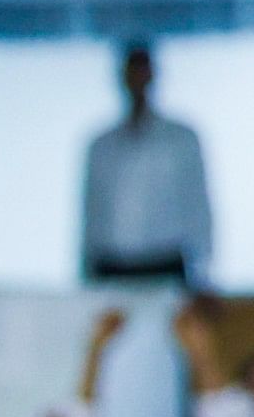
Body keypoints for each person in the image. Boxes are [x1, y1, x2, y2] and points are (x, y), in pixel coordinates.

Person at [79, 43, 214, 284]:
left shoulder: (181, 139)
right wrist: (86, 271)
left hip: (165, 263)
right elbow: (92, 212)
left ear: (153, 75)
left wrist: (203, 271)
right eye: (132, 72)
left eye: (143, 71)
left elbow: (198, 205)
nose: (137, 79)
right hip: (112, 266)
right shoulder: (101, 145)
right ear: (122, 77)